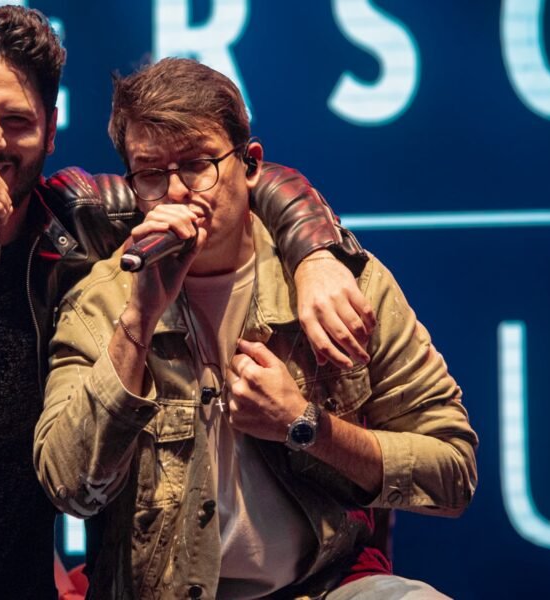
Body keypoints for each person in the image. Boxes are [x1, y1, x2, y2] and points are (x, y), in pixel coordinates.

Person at [0, 5, 371, 599]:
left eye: (16, 121)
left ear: (51, 129)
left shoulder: (77, 215)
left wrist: (315, 254)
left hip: (15, 586)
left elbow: (228, 179)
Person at [34, 57, 479, 600]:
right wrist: (139, 320)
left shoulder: (339, 282)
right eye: (151, 173)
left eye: (197, 164)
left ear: (250, 165)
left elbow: (453, 471)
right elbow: (70, 487)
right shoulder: (101, 301)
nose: (176, 192)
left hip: (319, 585)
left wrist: (305, 425)